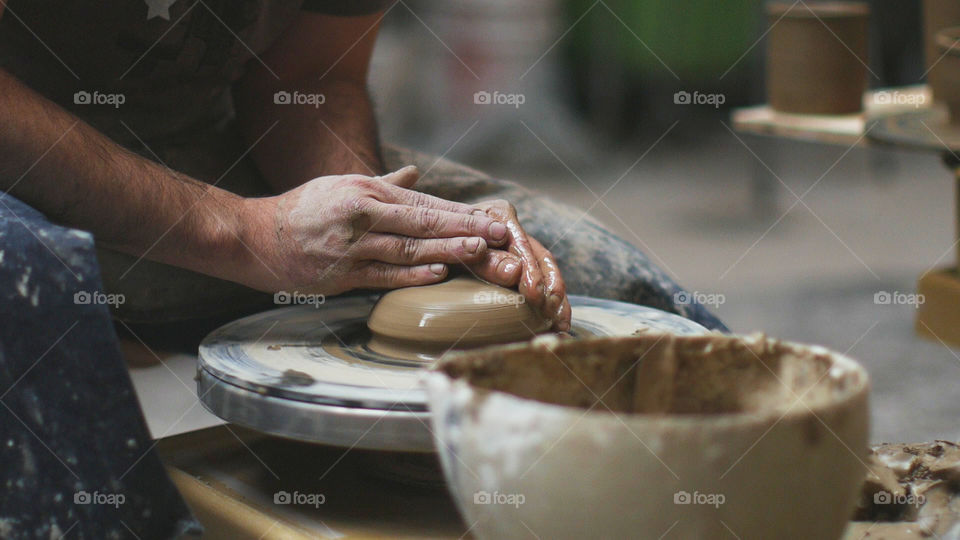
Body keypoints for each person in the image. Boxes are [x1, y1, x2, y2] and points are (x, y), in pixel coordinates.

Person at [0, 1, 723, 535]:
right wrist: (242, 232)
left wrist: (384, 231)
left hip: (204, 145)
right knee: (35, 291)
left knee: (640, 309)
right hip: (21, 164)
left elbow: (308, 77)